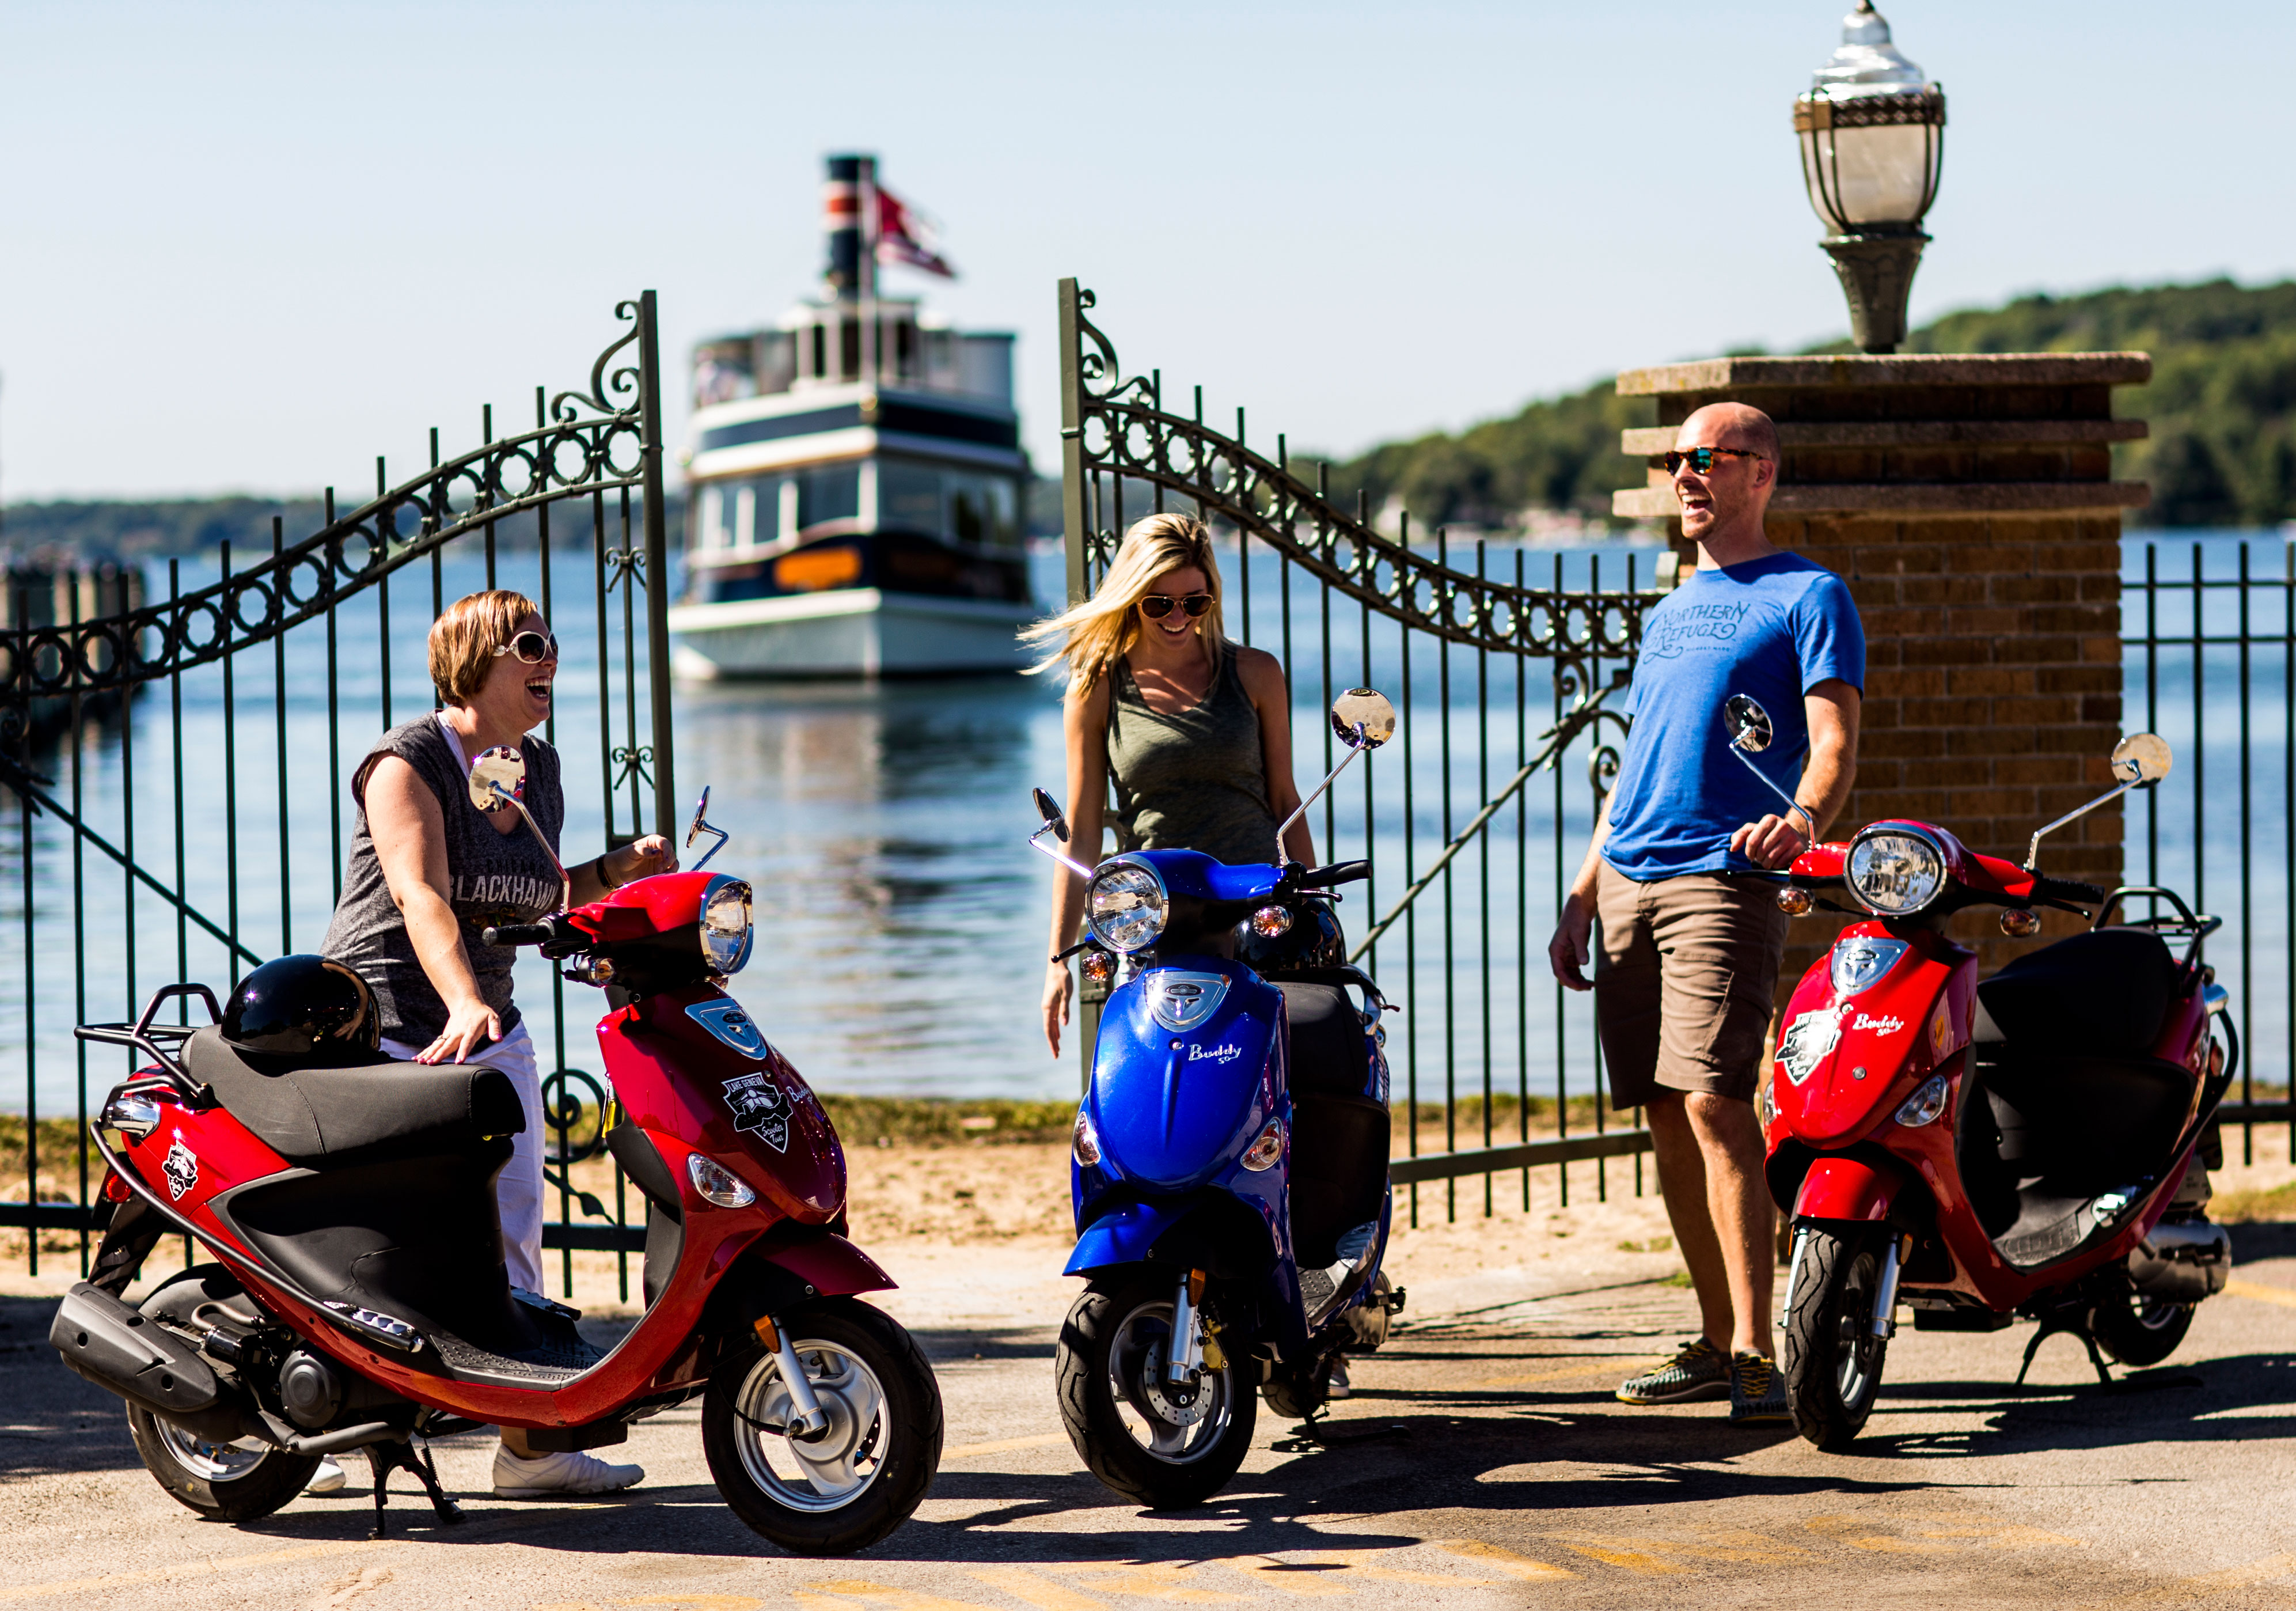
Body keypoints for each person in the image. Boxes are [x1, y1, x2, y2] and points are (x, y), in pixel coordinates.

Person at [314, 589, 676, 1496]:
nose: (548, 657)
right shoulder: (407, 765)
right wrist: (462, 1000)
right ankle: (324, 1431)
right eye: (529, 643)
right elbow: (422, 894)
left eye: (551, 642)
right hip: (387, 1029)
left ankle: (529, 1446)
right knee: (381, 1248)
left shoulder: (534, 769)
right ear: (475, 659)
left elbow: (543, 894)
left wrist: (616, 874)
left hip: (491, 1029)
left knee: (515, 1230)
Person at [1547, 404, 1864, 1424]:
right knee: (1661, 1107)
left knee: (1719, 1102)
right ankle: (1714, 1331)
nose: (1684, 475)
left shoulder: (1811, 594)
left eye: (1704, 459)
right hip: (1630, 879)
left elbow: (1831, 743)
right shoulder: (1674, 606)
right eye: (1675, 459)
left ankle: (1761, 1357)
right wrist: (1584, 890)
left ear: (1760, 472)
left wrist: (1803, 820)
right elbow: (1638, 762)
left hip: (1722, 880)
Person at [1020, 513, 1353, 1397]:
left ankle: (1310, 1262)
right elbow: (1086, 832)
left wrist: (1311, 906)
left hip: (1260, 915)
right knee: (1149, 1103)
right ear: (1134, 598)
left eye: (1193, 599)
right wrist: (1060, 955)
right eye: (1158, 601)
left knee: (1296, 1086)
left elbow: (1285, 800)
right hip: (1158, 928)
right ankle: (1174, 1260)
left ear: (1212, 591)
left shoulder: (1255, 676)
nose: (1176, 616)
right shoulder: (1097, 686)